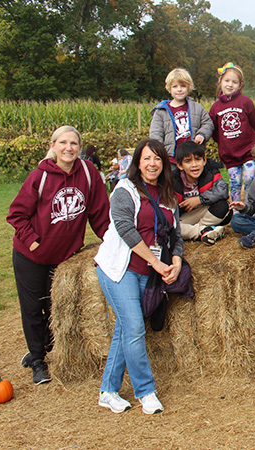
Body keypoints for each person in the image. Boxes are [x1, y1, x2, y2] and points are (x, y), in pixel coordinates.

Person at [8, 126, 110, 385]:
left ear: (80, 147)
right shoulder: (39, 177)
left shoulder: (88, 175)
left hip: (64, 257)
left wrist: (111, 241)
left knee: (55, 308)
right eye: (63, 143)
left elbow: (99, 213)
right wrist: (33, 243)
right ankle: (38, 361)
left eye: (74, 143)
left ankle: (40, 349)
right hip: (30, 256)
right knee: (33, 308)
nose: (69, 148)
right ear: (53, 146)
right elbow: (16, 214)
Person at [94, 139, 183, 414]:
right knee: (134, 328)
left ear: (164, 163)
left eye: (157, 158)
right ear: (137, 162)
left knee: (125, 328)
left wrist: (177, 262)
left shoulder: (169, 196)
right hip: (120, 269)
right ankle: (146, 391)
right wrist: (157, 263)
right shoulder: (125, 189)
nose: (152, 164)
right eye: (146, 158)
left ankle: (108, 390)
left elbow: (176, 235)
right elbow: (125, 229)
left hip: (149, 270)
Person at [208, 62, 255, 202]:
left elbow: (254, 122)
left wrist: (248, 137)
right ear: (220, 81)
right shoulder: (215, 107)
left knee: (249, 178)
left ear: (240, 85)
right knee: (235, 183)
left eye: (234, 82)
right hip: (230, 155)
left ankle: (249, 205)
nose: (230, 84)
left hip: (248, 151)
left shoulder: (245, 102)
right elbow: (214, 130)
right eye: (227, 80)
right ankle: (236, 209)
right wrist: (225, 142)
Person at [149, 67, 214, 165]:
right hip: (171, 158)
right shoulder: (161, 111)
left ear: (188, 87)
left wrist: (202, 134)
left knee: (194, 179)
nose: (179, 89)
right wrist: (160, 152)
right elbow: (155, 133)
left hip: (193, 156)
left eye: (183, 86)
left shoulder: (197, 108)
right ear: (169, 89)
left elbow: (208, 123)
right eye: (175, 86)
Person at [172, 141, 231, 245]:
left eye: (198, 159)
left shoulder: (211, 171)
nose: (194, 165)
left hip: (204, 211)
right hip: (184, 216)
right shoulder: (173, 180)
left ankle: (201, 229)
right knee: (171, 226)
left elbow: (223, 190)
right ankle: (203, 231)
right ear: (180, 165)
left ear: (204, 161)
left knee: (224, 207)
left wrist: (199, 199)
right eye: (188, 161)